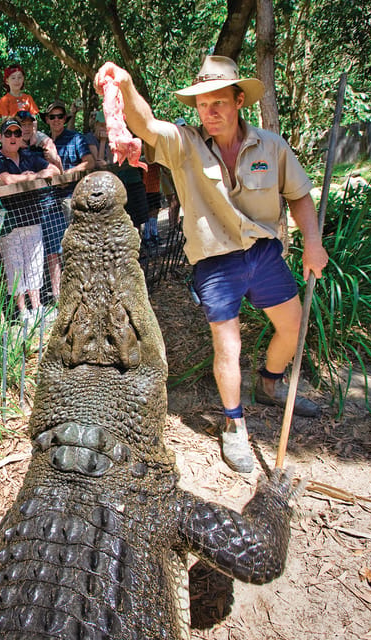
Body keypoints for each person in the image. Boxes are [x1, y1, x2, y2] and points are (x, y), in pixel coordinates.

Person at [95, 56, 328, 473]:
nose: (210, 112)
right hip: (216, 263)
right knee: (228, 344)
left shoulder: (271, 147)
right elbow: (146, 126)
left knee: (293, 328)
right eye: (203, 105)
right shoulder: (183, 145)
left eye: (219, 102)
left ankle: (270, 383)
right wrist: (126, 86)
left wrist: (313, 242)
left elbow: (299, 195)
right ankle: (234, 424)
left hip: (264, 254)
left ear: (240, 101)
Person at [0, 119, 61, 324]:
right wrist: (33, 177)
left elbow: (54, 170)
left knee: (35, 264)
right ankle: (23, 311)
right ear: (0, 137)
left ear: (21, 137)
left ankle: (37, 308)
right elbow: (6, 179)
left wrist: (34, 174)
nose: (12, 137)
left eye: (16, 134)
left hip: (33, 217)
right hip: (9, 222)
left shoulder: (28, 155)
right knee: (14, 267)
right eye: (7, 133)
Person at [42, 99, 94, 304]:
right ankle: (58, 295)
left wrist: (68, 175)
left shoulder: (75, 138)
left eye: (60, 116)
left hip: (72, 199)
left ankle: (83, 288)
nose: (56, 120)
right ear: (47, 120)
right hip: (48, 203)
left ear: (66, 118)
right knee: (53, 250)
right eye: (52, 117)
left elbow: (89, 161)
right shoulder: (42, 143)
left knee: (78, 246)